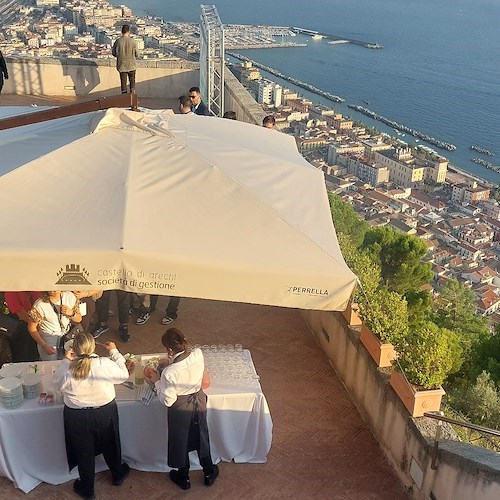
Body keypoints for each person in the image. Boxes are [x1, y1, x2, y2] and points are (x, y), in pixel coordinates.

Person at [52, 332, 130, 499]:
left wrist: (66, 360)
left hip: (77, 416)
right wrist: (114, 352)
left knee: (83, 452)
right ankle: (117, 475)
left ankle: (87, 489)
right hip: (105, 412)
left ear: (74, 349)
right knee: (111, 444)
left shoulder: (68, 368)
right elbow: (124, 374)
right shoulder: (105, 363)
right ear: (93, 346)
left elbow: (56, 384)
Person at [145, 328, 219, 491]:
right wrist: (170, 363)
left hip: (180, 407)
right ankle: (208, 472)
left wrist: (157, 381)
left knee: (180, 441)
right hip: (198, 400)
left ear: (169, 350)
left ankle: (184, 477)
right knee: (202, 436)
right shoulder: (198, 353)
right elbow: (188, 369)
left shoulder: (169, 373)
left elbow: (167, 400)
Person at [28, 291, 82, 361]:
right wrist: (44, 345)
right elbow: (32, 328)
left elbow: (79, 319)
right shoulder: (40, 305)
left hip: (66, 336)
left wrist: (71, 313)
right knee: (51, 366)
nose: (54, 290)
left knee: (68, 362)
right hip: (49, 338)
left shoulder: (70, 297)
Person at [4, 291, 41, 362]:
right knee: (22, 356)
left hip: (34, 325)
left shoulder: (35, 289)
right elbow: (19, 311)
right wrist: (36, 325)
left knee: (34, 355)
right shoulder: (11, 291)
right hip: (20, 327)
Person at [112, 25, 138, 94]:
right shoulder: (133, 41)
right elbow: (137, 54)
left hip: (122, 65)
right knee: (132, 83)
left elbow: (114, 53)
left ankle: (124, 100)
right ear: (129, 31)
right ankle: (132, 99)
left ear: (122, 31)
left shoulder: (118, 41)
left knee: (123, 84)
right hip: (132, 65)